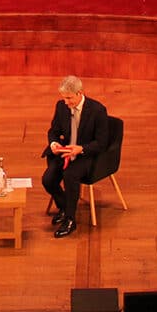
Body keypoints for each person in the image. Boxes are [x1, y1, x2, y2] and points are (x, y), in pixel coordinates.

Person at [41, 75, 109, 238]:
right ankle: (65, 206)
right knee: (48, 179)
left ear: (80, 93)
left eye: (69, 98)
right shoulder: (61, 106)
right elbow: (54, 131)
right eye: (64, 98)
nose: (66, 102)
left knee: (70, 175)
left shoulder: (98, 110)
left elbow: (102, 143)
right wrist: (54, 144)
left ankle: (70, 219)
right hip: (65, 152)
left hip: (85, 154)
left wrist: (81, 149)